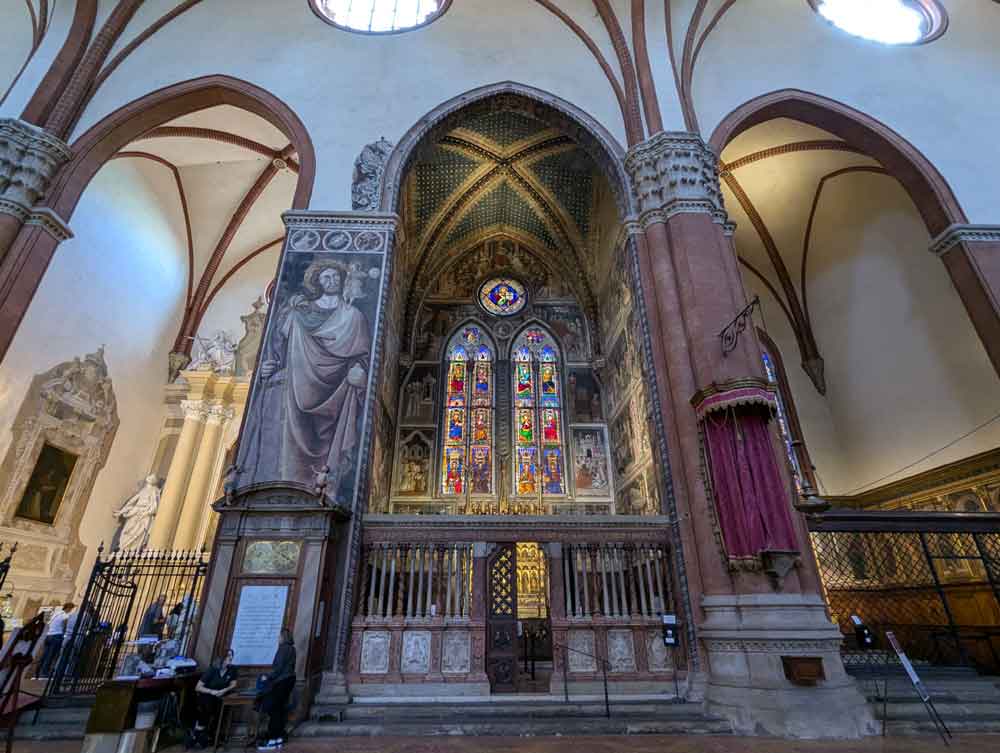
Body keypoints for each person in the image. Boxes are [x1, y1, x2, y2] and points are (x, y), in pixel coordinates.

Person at [257, 629, 296, 750]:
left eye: (279, 636)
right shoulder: (292, 649)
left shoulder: (283, 648)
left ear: (283, 637)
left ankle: (273, 738)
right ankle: (278, 735)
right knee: (279, 709)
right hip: (289, 679)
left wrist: (267, 677)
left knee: (275, 709)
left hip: (282, 680)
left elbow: (278, 667)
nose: (277, 638)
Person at [193, 649, 238, 744]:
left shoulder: (232, 669)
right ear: (222, 658)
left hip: (221, 695)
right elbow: (198, 687)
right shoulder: (212, 669)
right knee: (207, 707)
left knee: (221, 710)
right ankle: (198, 735)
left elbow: (233, 684)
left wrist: (224, 690)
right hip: (207, 694)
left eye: (231, 656)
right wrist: (212, 691)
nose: (230, 658)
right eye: (228, 656)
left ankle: (213, 736)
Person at [37, 602, 74, 678]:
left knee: (45, 655)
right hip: (57, 636)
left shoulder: (56, 613)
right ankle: (44, 673)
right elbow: (64, 626)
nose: (71, 610)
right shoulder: (65, 616)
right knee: (51, 655)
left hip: (48, 635)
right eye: (71, 609)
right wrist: (64, 634)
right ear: (68, 608)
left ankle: (38, 671)